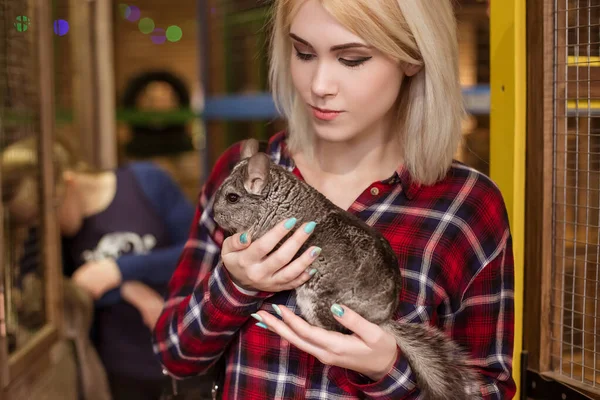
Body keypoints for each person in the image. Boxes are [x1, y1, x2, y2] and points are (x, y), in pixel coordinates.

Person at [152, 0, 516, 398]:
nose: (319, 85)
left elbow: (486, 390)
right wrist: (235, 286)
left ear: (413, 57)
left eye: (353, 59)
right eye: (304, 53)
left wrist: (389, 371)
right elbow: (173, 355)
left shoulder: (466, 206)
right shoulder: (241, 177)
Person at [1, 137, 195, 400]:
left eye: (50, 214)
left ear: (69, 183)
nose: (49, 228)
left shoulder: (146, 181)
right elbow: (54, 292)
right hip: (120, 371)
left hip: (189, 352)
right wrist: (126, 289)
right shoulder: (56, 239)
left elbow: (197, 254)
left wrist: (119, 269)